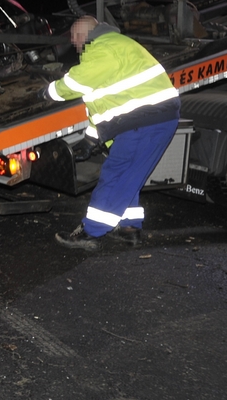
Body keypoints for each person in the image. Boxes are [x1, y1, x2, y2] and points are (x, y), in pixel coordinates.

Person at [47, 16, 181, 250]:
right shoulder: (116, 44)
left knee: (116, 173)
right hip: (151, 119)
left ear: (80, 35)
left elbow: (78, 84)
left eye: (73, 37)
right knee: (130, 175)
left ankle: (90, 232)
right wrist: (91, 137)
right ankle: (129, 229)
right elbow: (100, 102)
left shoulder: (102, 48)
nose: (73, 43)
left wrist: (49, 91)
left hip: (143, 120)